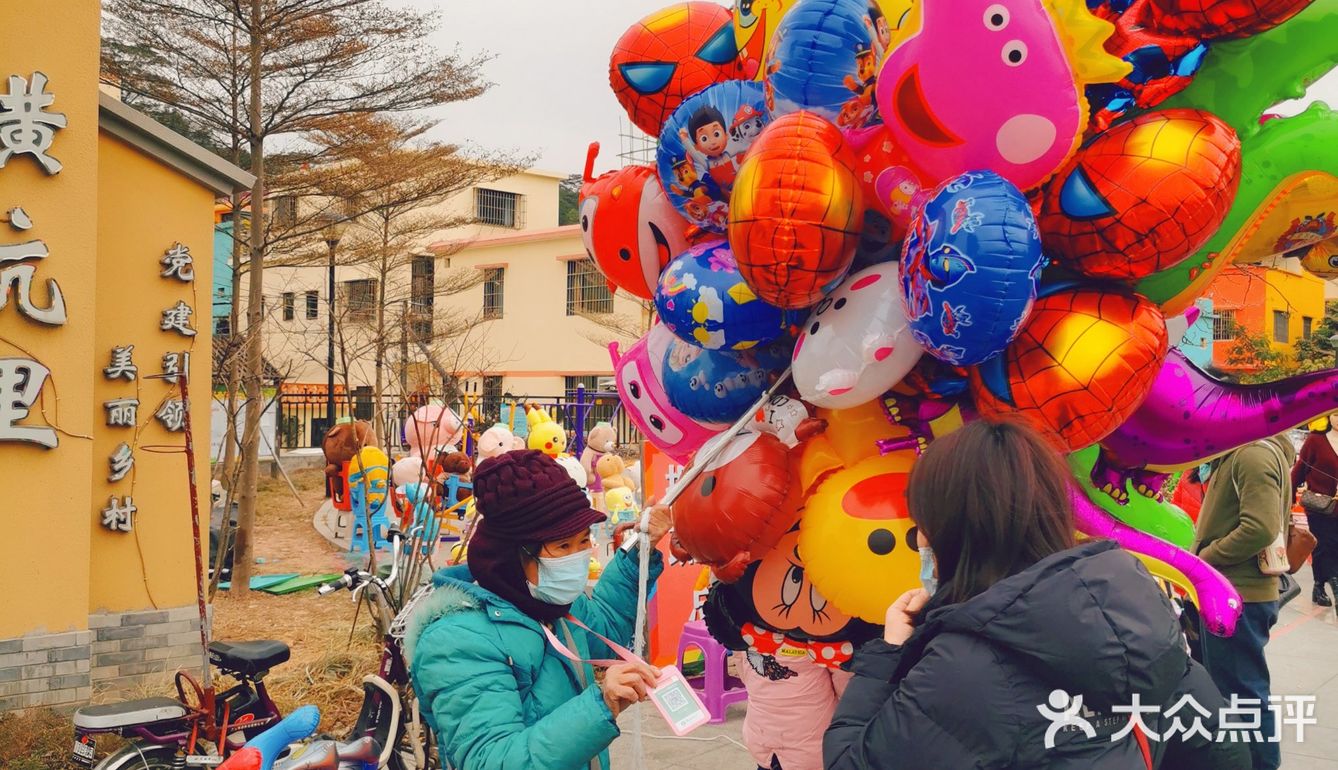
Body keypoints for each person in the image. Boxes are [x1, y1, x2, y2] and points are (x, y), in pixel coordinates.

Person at [825, 419, 1246, 770]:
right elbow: (1224, 752)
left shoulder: (962, 672)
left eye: (922, 525)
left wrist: (889, 654)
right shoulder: (1139, 612)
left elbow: (850, 762)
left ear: (954, 529)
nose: (920, 541)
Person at [406, 450, 669, 770]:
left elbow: (606, 626)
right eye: (562, 547)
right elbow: (490, 761)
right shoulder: (456, 642)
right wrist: (601, 704)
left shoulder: (548, 601)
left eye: (583, 540)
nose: (579, 556)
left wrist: (641, 548)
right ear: (513, 556)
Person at [1194, 432, 1295, 770]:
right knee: (1235, 691)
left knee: (1244, 695)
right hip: (1232, 593)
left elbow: (1260, 527)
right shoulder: (1241, 451)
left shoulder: (1252, 453)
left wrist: (1206, 557)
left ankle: (1260, 764)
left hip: (1239, 596)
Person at [735, 652, 851, 770]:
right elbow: (846, 688)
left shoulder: (745, 636)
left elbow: (742, 668)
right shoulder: (821, 639)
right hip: (810, 741)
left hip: (761, 736)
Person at [1292, 414, 1338, 608]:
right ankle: (1332, 584)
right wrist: (1288, 500)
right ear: (1328, 417)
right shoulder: (1315, 440)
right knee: (1325, 546)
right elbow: (1298, 471)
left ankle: (1318, 586)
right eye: (1336, 414)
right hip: (1320, 507)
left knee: (1330, 547)